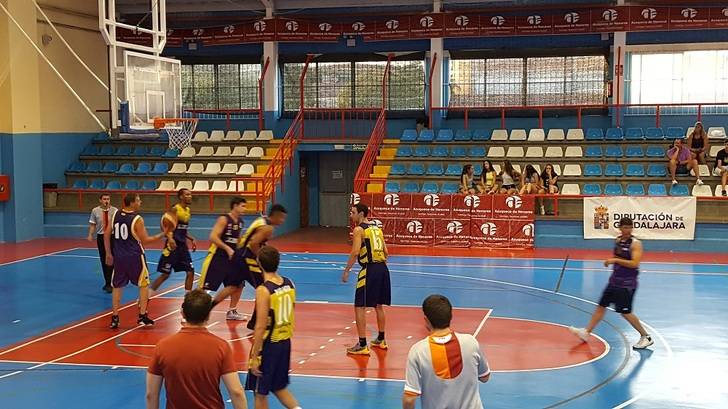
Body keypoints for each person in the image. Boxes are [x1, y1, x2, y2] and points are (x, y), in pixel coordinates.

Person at [146, 289, 247, 409]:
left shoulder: (162, 346)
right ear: (208, 315)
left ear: (183, 313)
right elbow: (236, 391)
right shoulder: (221, 347)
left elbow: (151, 394)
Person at [569, 217, 654, 350]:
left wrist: (614, 260)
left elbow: (634, 263)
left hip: (627, 284)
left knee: (625, 312)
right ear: (620, 228)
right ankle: (587, 332)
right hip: (614, 281)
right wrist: (615, 262)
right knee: (601, 306)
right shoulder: (618, 241)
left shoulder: (636, 244)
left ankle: (646, 336)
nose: (627, 230)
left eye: (629, 227)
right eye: (625, 227)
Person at [402, 294, 490, 409]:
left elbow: (409, 398)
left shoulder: (418, 351)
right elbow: (485, 377)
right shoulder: (471, 342)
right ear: (450, 316)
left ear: (426, 320)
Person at [212, 204, 288, 330]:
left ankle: (207, 309)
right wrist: (261, 258)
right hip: (247, 257)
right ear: (276, 216)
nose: (282, 221)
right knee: (263, 288)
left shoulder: (261, 220)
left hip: (239, 255)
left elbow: (254, 239)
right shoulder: (267, 227)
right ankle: (254, 322)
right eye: (282, 218)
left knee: (232, 286)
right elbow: (254, 244)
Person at [246, 246, 301, 409]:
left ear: (259, 264)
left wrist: (255, 356)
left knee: (259, 392)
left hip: (269, 345)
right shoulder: (290, 283)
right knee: (278, 387)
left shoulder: (264, 290)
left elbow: (260, 326)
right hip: (285, 342)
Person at [104, 193, 164, 329]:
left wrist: (108, 253)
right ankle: (142, 316)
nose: (140, 202)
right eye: (138, 200)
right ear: (131, 203)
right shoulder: (137, 219)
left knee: (117, 286)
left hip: (119, 257)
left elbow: (106, 234)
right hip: (135, 257)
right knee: (143, 285)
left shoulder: (115, 215)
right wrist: (162, 234)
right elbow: (146, 241)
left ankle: (115, 317)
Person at [342, 203, 391, 355]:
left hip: (369, 269)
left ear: (361, 214)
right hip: (382, 268)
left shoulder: (359, 230)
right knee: (378, 305)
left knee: (359, 306)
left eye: (353, 212)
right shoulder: (377, 229)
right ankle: (381, 339)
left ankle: (362, 344)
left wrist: (347, 270)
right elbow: (386, 252)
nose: (351, 215)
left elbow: (355, 251)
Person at [199, 197, 247, 320]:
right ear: (235, 206)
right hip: (217, 257)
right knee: (205, 288)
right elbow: (213, 237)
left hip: (231, 259)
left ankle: (232, 311)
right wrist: (227, 248)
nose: (245, 209)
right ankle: (189, 309)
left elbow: (237, 241)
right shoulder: (224, 219)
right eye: (243, 206)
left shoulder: (240, 222)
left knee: (238, 284)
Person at [151, 189, 196, 294]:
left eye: (190, 194)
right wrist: (170, 239)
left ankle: (187, 301)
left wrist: (191, 238)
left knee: (190, 271)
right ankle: (145, 297)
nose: (190, 196)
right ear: (181, 197)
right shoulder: (175, 209)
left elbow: (181, 229)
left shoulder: (188, 211)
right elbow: (165, 227)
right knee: (165, 274)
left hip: (182, 246)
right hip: (172, 246)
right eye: (187, 194)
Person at [87, 193, 117, 293]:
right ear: (100, 200)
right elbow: (92, 224)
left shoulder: (115, 210)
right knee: (104, 259)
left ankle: (113, 280)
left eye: (108, 199)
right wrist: (90, 234)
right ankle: (107, 282)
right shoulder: (95, 211)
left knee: (112, 258)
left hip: (113, 237)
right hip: (101, 236)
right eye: (104, 199)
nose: (106, 201)